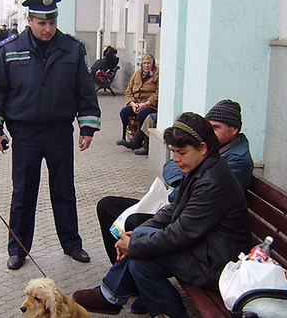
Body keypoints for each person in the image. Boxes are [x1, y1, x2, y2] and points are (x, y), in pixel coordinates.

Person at [73, 112, 251, 318]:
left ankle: (112, 296)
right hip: (203, 250)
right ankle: (126, 299)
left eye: (181, 153)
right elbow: (172, 210)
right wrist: (136, 234)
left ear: (202, 148)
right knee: (140, 253)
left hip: (216, 264)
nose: (176, 159)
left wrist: (135, 244)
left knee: (142, 256)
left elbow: (181, 233)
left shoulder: (212, 181)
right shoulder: (201, 168)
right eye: (174, 152)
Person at [0, 0, 102, 270]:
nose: (47, 29)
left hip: (59, 131)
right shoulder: (9, 48)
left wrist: (88, 127)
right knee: (23, 192)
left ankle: (72, 244)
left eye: (52, 22)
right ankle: (18, 249)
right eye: (41, 23)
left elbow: (85, 91)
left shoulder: (73, 48)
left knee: (64, 190)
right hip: (24, 134)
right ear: (29, 20)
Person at [97, 99, 254, 266]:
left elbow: (187, 221)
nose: (211, 133)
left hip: (206, 241)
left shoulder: (233, 162)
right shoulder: (202, 159)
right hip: (180, 210)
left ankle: (120, 281)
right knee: (108, 206)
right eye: (210, 127)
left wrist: (184, 182)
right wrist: (184, 178)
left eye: (216, 128)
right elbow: (169, 165)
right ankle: (119, 273)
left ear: (234, 129)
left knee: (136, 229)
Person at [117, 53, 159, 153]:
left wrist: (146, 104)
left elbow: (158, 92)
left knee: (142, 114)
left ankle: (140, 141)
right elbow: (128, 90)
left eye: (149, 63)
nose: (146, 65)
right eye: (144, 63)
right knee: (125, 112)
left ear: (152, 64)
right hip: (136, 103)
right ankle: (127, 136)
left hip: (150, 104)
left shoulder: (157, 74)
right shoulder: (137, 74)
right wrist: (132, 103)